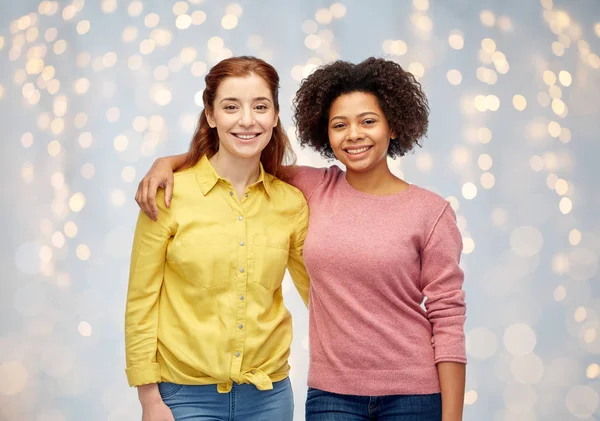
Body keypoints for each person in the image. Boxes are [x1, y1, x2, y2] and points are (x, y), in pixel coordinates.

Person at [136, 57, 467, 421]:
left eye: (368, 121)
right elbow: (239, 153)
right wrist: (167, 162)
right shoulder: (312, 189)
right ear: (324, 133)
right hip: (333, 394)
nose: (354, 134)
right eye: (340, 124)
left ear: (394, 125)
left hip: (413, 392)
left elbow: (448, 319)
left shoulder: (429, 211)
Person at [125, 56, 310, 421]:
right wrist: (149, 399)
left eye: (260, 106)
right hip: (183, 398)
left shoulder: (291, 203)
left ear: (274, 115)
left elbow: (321, 294)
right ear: (210, 115)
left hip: (269, 398)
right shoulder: (167, 194)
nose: (247, 120)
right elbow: (141, 303)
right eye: (230, 107)